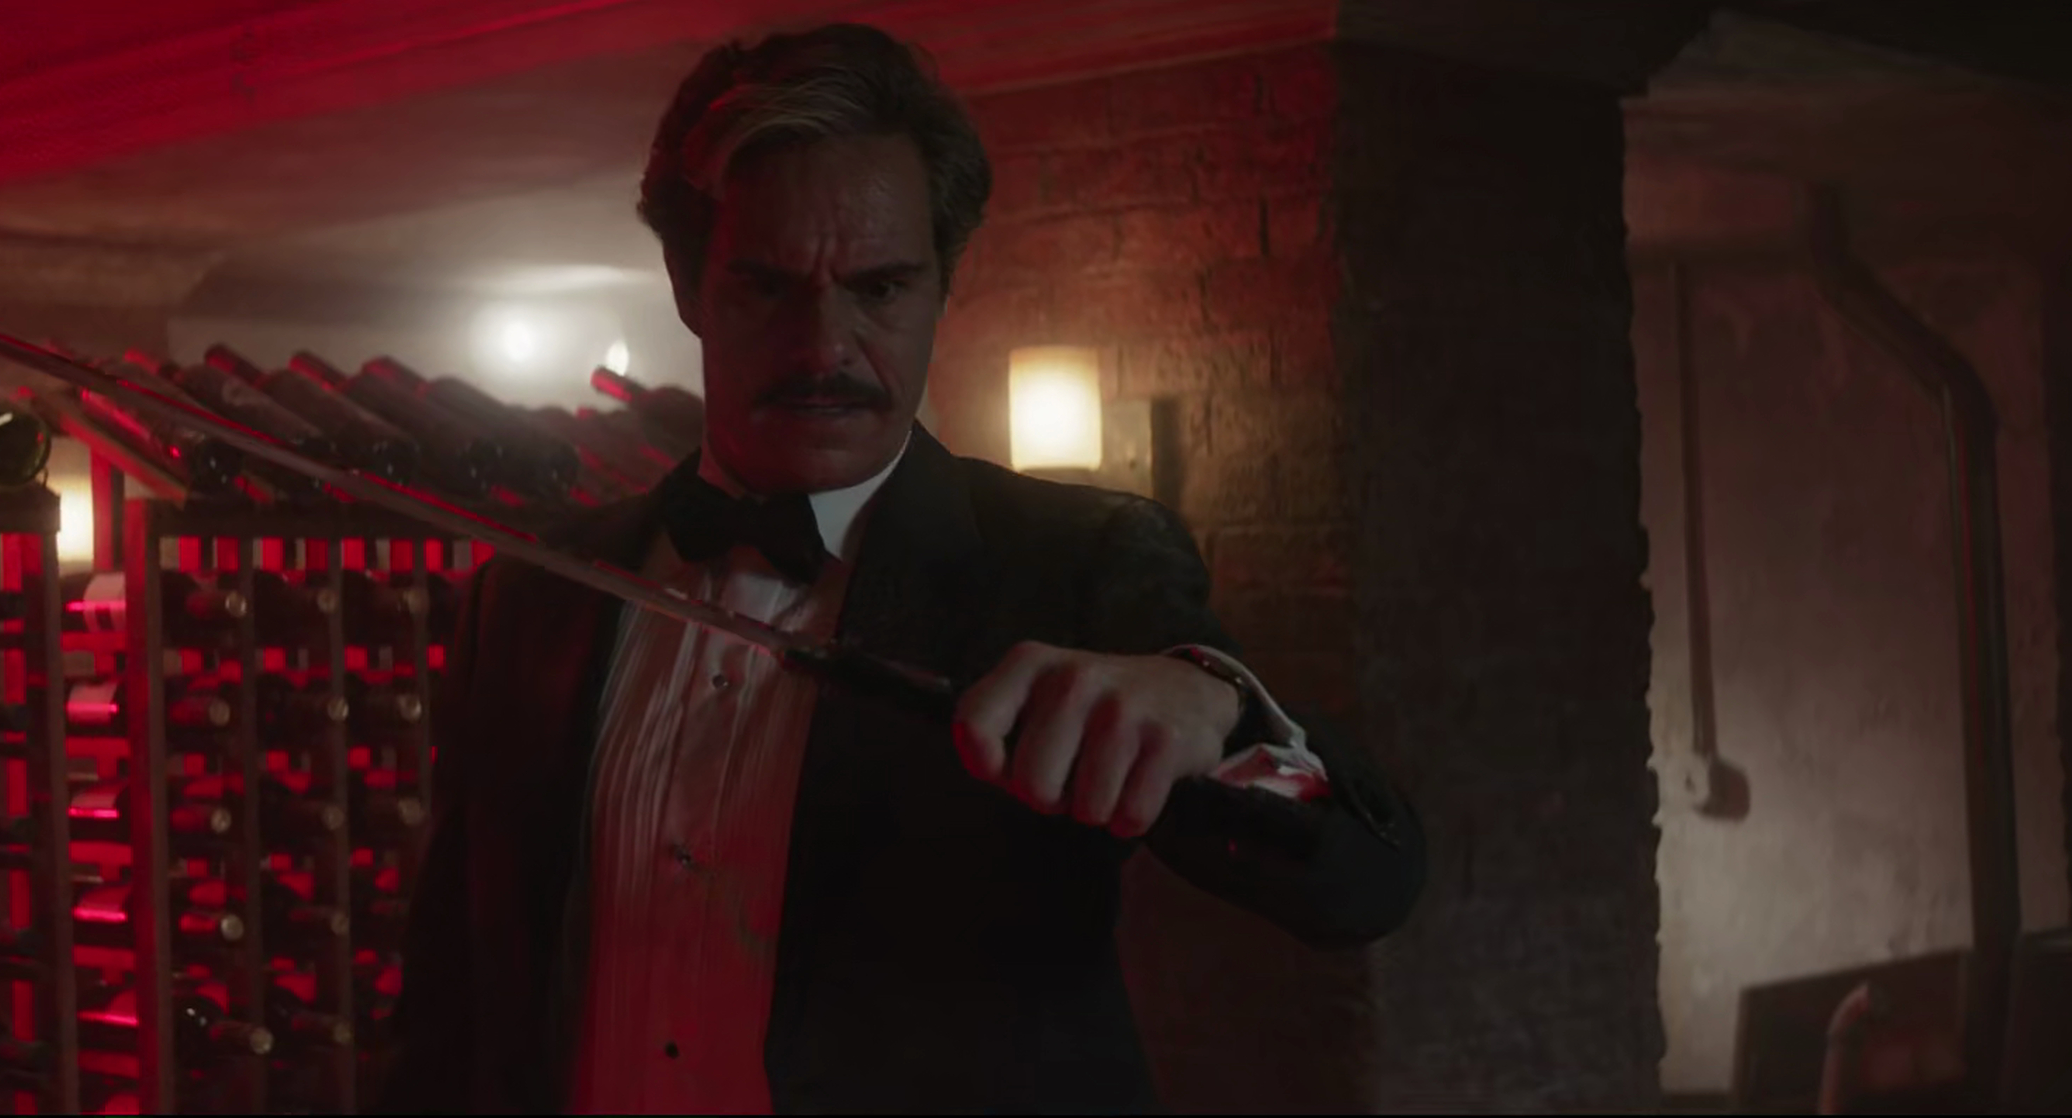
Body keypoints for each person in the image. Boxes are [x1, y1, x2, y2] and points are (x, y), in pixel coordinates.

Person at [380, 22, 1425, 1114]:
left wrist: (1215, 704)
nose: (824, 347)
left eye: (879, 288)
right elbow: (453, 1009)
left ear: (941, 285)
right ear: (689, 285)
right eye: (768, 289)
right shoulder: (531, 591)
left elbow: (1367, 880)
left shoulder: (1076, 558)